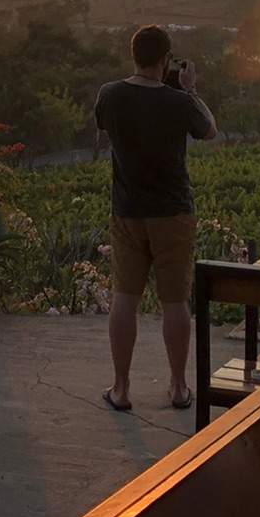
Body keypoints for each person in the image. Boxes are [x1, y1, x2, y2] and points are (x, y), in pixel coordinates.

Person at [91, 24, 217, 413]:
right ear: (166, 60)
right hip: (174, 212)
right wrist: (190, 88)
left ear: (134, 55)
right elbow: (210, 131)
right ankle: (179, 388)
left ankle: (121, 388)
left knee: (124, 299)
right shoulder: (178, 102)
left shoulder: (109, 95)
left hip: (127, 211)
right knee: (175, 300)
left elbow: (103, 131)